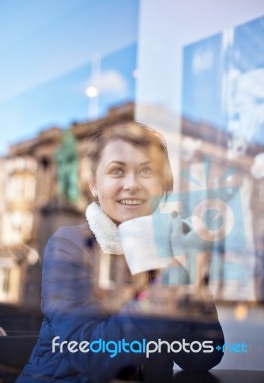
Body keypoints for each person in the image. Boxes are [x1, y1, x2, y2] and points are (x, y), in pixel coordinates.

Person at [17, 121, 224, 383]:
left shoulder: (172, 246)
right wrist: (170, 284)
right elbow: (92, 357)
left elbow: (203, 356)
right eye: (117, 171)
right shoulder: (69, 244)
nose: (132, 184)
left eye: (147, 170)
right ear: (94, 185)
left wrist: (189, 273)